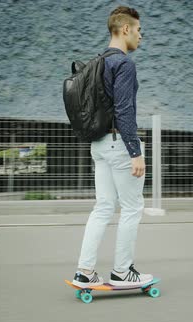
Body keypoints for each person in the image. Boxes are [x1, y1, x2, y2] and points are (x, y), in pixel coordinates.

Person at [72, 6, 153, 288]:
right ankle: (122, 270)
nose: (142, 36)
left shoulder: (97, 62)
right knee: (132, 207)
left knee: (103, 207)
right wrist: (135, 151)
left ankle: (85, 271)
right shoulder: (124, 64)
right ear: (126, 29)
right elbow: (124, 109)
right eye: (139, 30)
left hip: (99, 143)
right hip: (120, 143)